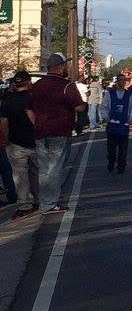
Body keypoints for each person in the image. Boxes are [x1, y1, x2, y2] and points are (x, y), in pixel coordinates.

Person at [29, 52, 84, 214]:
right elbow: (79, 107)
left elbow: (28, 109)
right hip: (60, 131)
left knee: (44, 168)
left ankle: (44, 200)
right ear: (59, 67)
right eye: (65, 65)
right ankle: (50, 203)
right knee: (56, 168)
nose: (66, 68)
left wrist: (37, 122)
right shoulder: (67, 85)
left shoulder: (37, 85)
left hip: (40, 131)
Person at [1, 69, 38, 218]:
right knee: (36, 172)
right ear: (28, 82)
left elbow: (3, 122)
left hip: (16, 142)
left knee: (20, 175)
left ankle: (24, 203)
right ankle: (38, 198)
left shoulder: (8, 100)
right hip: (35, 140)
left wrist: (6, 138)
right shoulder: (34, 98)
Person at [99, 72, 132, 173]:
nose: (122, 82)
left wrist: (131, 118)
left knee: (123, 149)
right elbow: (104, 107)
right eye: (120, 80)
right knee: (111, 149)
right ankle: (111, 161)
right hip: (112, 126)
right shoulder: (109, 94)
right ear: (117, 82)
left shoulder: (130, 95)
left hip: (124, 126)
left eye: (124, 80)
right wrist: (106, 117)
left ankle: (121, 166)